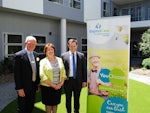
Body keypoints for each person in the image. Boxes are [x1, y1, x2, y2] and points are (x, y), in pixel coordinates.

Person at [14, 36, 40, 113]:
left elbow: (37, 71)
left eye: (33, 44)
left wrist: (37, 84)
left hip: (33, 87)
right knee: (22, 108)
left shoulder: (36, 55)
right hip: (23, 88)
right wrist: (19, 88)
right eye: (30, 43)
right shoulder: (19, 56)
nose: (31, 45)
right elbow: (17, 74)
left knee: (30, 106)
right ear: (25, 43)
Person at [61, 39, 87, 113]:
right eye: (71, 46)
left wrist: (84, 81)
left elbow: (84, 69)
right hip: (68, 81)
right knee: (68, 98)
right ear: (68, 46)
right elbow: (62, 70)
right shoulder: (63, 56)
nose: (73, 47)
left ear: (77, 46)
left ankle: (76, 111)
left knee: (77, 98)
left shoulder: (81, 56)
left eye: (74, 46)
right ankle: (68, 111)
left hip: (78, 81)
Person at [40, 43, 67, 113]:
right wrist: (53, 85)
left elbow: (63, 72)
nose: (50, 51)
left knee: (55, 104)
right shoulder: (42, 61)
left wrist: (60, 84)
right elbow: (42, 75)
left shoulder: (60, 60)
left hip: (58, 87)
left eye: (52, 49)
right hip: (47, 88)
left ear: (54, 51)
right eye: (48, 50)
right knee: (48, 105)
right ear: (45, 51)